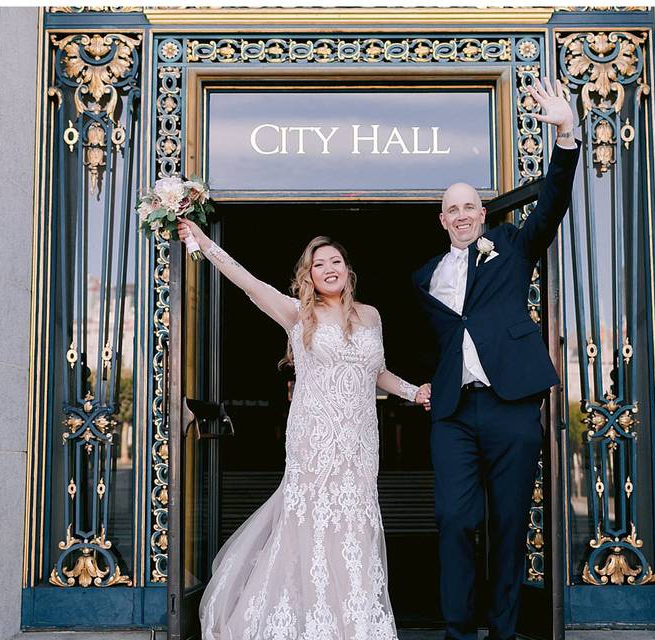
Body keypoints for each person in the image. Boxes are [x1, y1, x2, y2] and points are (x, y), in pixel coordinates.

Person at [175, 222, 432, 640]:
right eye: (319, 264)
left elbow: (377, 372)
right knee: (312, 527)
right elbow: (248, 282)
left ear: (348, 269)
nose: (329, 269)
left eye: (336, 261)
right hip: (314, 441)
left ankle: (354, 624)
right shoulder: (297, 313)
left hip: (361, 444)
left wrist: (414, 391)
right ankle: (310, 623)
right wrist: (204, 244)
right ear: (308, 275)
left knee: (354, 529)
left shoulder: (371, 316)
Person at [411, 76, 580, 640]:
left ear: (482, 214)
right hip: (454, 414)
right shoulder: (424, 278)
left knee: (510, 524)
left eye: (469, 206)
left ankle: (503, 632)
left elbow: (552, 202)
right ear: (442, 220)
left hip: (510, 405)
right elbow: (431, 344)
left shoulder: (510, 247)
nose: (461, 215)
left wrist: (565, 133)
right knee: (455, 519)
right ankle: (459, 631)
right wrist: (422, 386)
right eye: (451, 209)